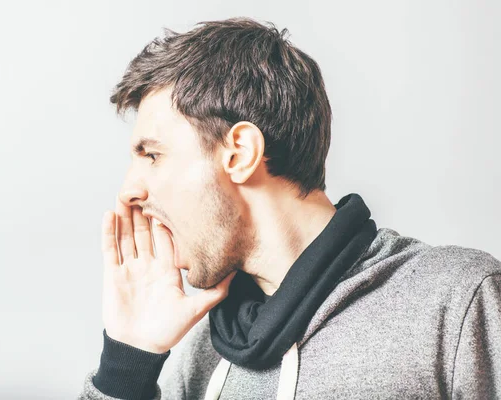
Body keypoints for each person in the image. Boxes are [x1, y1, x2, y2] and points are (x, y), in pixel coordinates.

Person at [78, 17, 501, 400]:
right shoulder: (203, 354)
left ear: (240, 153)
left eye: (152, 155)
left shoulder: (456, 303)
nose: (128, 191)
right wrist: (127, 363)